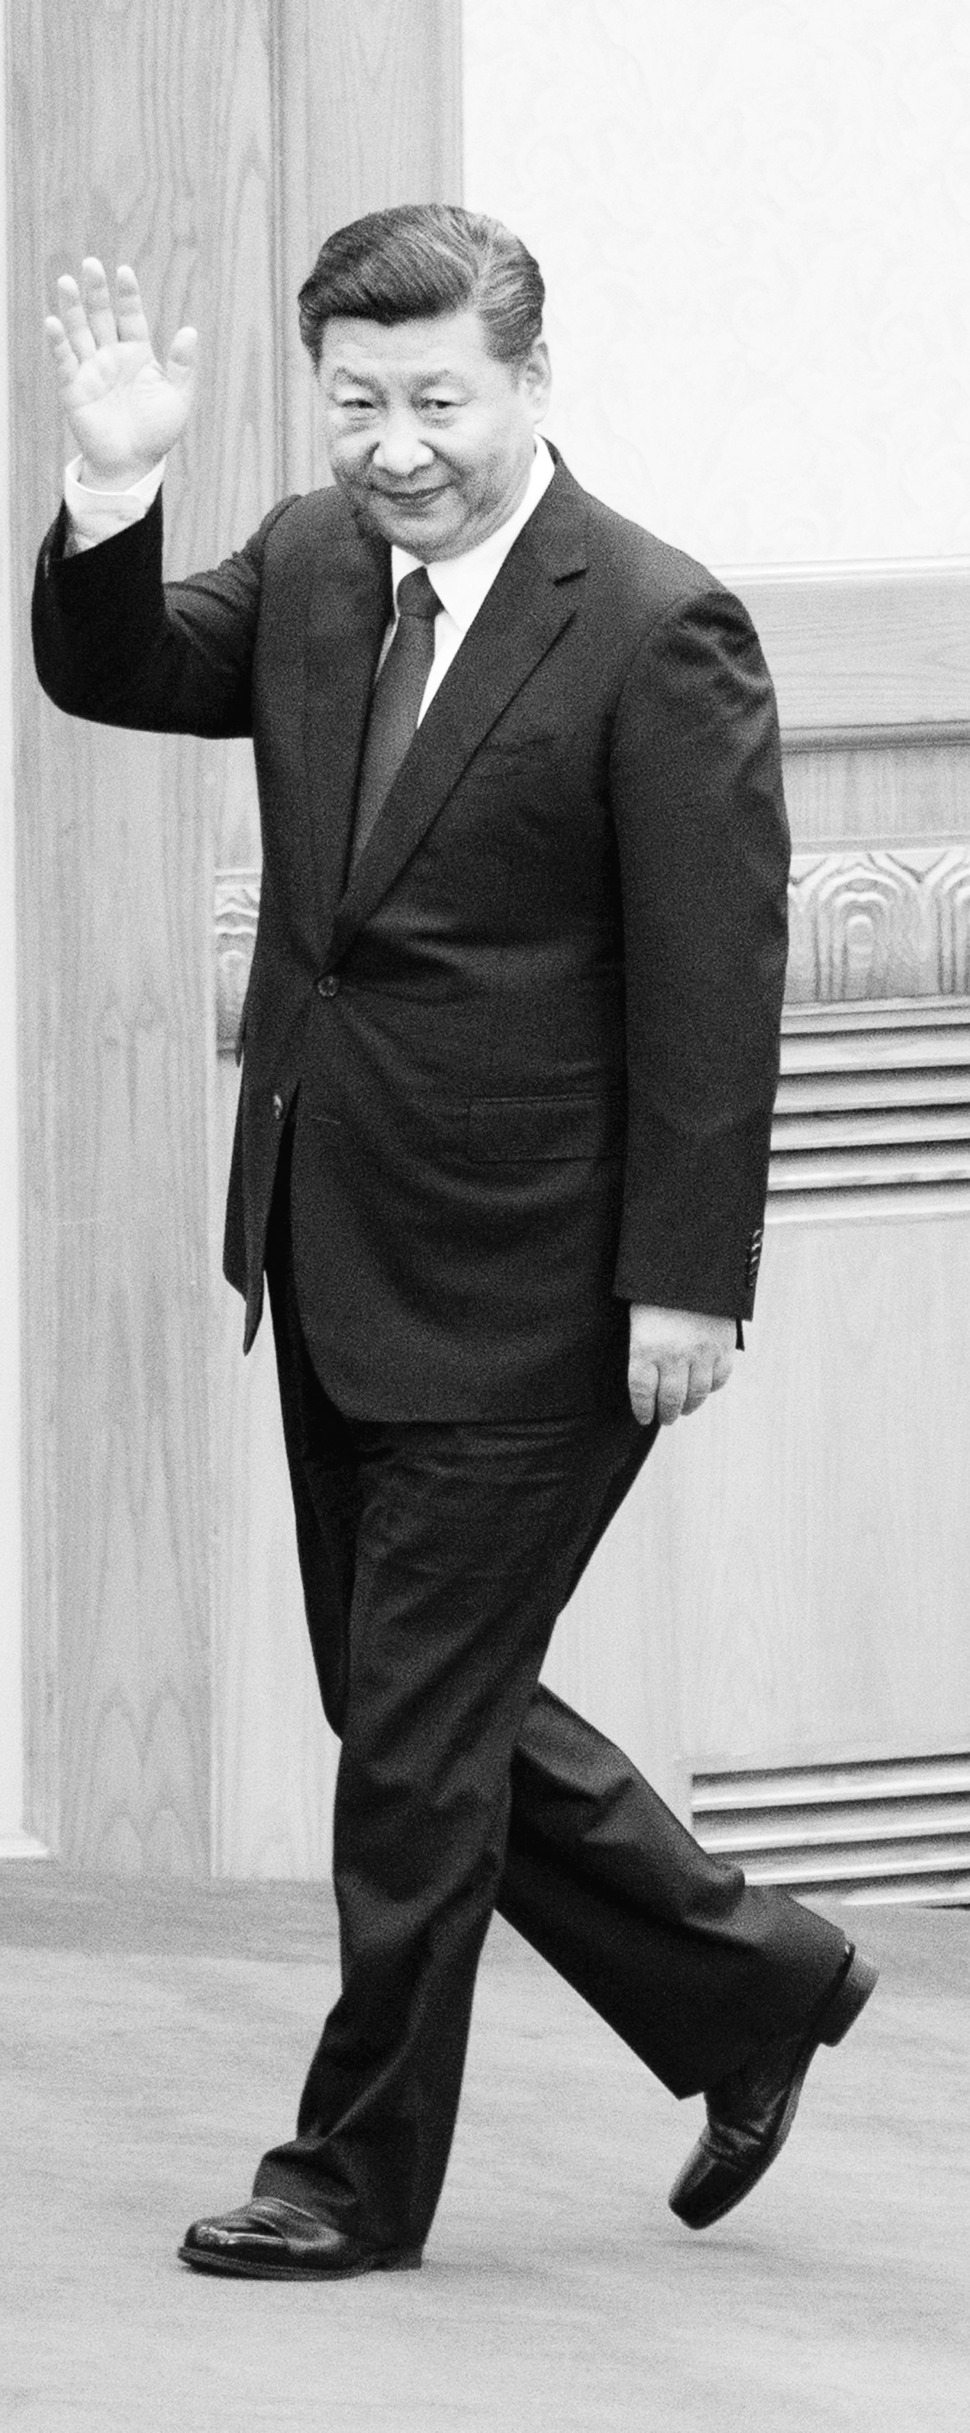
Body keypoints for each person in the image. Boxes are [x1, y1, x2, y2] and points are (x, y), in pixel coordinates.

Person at [33, 205, 876, 2283]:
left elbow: (712, 982)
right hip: (329, 1239)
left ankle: (348, 2171)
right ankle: (746, 1976)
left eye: (434, 401)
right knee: (415, 1696)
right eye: (356, 402)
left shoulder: (656, 624)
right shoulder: (325, 568)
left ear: (525, 385)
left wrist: (688, 1270)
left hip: (549, 1281)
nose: (393, 443)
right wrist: (115, 485)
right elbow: (118, 664)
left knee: (411, 1738)